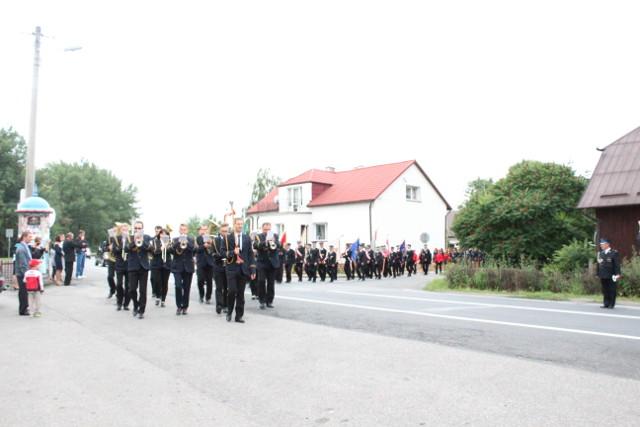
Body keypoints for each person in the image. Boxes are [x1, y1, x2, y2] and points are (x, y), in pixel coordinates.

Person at [222, 218, 256, 323]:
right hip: (231, 268)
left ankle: (239, 316)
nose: (240, 226)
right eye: (238, 224)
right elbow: (222, 252)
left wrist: (253, 269)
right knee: (232, 291)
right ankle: (229, 311)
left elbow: (250, 254)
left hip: (243, 269)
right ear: (234, 224)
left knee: (241, 294)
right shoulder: (227, 238)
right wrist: (232, 252)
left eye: (241, 224)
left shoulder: (246, 238)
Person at [125, 221, 151, 319]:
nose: (137, 230)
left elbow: (150, 249)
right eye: (135, 228)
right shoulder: (129, 238)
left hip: (144, 267)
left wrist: (142, 241)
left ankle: (141, 310)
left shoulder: (147, 237)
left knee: (143, 290)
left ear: (142, 229)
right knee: (132, 289)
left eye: (139, 228)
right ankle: (136, 305)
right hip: (132, 266)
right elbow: (126, 249)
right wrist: (134, 241)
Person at [254, 222, 281, 309]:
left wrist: (274, 241)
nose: (267, 231)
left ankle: (269, 301)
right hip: (262, 262)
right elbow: (255, 245)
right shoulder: (258, 236)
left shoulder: (275, 235)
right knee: (261, 281)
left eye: (268, 229)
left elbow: (279, 245)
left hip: (272, 263)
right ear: (262, 229)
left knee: (271, 283)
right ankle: (262, 301)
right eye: (265, 229)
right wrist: (265, 242)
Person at [170, 224, 195, 315]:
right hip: (177, 267)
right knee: (178, 286)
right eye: (181, 229)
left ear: (187, 231)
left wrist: (186, 242)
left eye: (184, 230)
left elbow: (193, 249)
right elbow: (171, 250)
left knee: (187, 287)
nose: (183, 231)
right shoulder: (175, 240)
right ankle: (179, 306)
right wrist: (178, 242)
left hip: (188, 267)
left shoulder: (191, 239)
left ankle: (185, 306)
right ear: (179, 231)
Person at [150, 226, 172, 308]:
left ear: (168, 235)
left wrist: (167, 246)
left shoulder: (170, 242)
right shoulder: (155, 241)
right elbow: (154, 252)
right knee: (156, 281)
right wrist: (161, 248)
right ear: (159, 235)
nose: (163, 235)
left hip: (166, 264)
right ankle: (158, 295)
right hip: (156, 264)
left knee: (164, 283)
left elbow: (172, 251)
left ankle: (163, 300)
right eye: (161, 234)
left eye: (165, 234)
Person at [597, 238, 621, 309]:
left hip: (611, 274)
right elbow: (599, 264)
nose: (601, 246)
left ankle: (611, 304)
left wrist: (618, 274)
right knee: (605, 289)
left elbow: (617, 264)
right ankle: (606, 303)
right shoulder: (601, 253)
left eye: (602, 244)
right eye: (601, 244)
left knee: (612, 289)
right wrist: (598, 273)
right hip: (603, 274)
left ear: (607, 244)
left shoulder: (614, 253)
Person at [111, 223, 131, 311]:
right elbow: (114, 251)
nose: (125, 231)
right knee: (119, 284)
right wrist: (122, 246)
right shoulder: (116, 238)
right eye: (123, 229)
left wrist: (128, 246)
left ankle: (126, 304)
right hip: (119, 264)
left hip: (129, 264)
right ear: (120, 230)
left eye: (126, 230)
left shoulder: (131, 239)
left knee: (128, 285)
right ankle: (119, 302)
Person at [14, 231, 33, 316]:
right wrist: (27, 275)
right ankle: (23, 309)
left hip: (23, 273)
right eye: (29, 237)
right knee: (23, 292)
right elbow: (23, 264)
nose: (31, 238)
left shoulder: (24, 246)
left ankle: (24, 308)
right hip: (22, 274)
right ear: (24, 237)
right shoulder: (21, 248)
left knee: (24, 291)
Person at [195, 225, 214, 304]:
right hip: (201, 262)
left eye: (206, 229)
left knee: (209, 281)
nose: (204, 231)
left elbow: (214, 249)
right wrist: (203, 246)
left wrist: (210, 244)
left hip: (210, 262)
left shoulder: (211, 238)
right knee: (200, 280)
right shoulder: (197, 239)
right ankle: (201, 295)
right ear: (200, 230)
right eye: (203, 229)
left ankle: (208, 297)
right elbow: (196, 250)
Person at [213, 223, 229, 314]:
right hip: (218, 265)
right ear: (220, 231)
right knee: (219, 287)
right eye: (223, 231)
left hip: (228, 266)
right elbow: (212, 252)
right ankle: (219, 305)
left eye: (226, 231)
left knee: (227, 287)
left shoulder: (231, 239)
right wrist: (218, 255)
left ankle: (226, 305)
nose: (225, 233)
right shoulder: (215, 240)